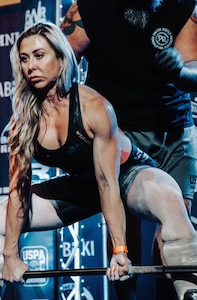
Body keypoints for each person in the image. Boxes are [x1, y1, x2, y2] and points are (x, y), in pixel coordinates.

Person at [0, 22, 197, 300]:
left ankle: (191, 292)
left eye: (39, 55)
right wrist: (11, 254)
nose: (30, 65)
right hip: (82, 185)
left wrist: (119, 251)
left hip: (125, 175)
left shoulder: (94, 107)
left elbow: (107, 183)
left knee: (169, 198)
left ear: (61, 58)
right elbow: (18, 190)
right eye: (24, 58)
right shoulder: (23, 123)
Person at [60, 1, 197, 299]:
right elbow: (58, 63)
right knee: (123, 226)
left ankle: (170, 294)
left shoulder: (179, 4)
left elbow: (193, 68)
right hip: (118, 131)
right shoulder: (89, 8)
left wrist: (181, 73)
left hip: (172, 129)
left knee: (175, 221)